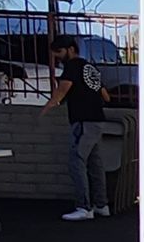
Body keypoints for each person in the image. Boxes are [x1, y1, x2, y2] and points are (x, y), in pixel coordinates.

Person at [48, 41, 112, 219]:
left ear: (70, 49)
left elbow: (61, 92)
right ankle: (101, 204)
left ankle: (84, 207)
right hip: (97, 119)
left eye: (58, 51)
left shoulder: (72, 67)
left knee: (77, 160)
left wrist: (44, 111)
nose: (56, 57)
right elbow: (105, 95)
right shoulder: (90, 67)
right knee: (95, 163)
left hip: (83, 120)